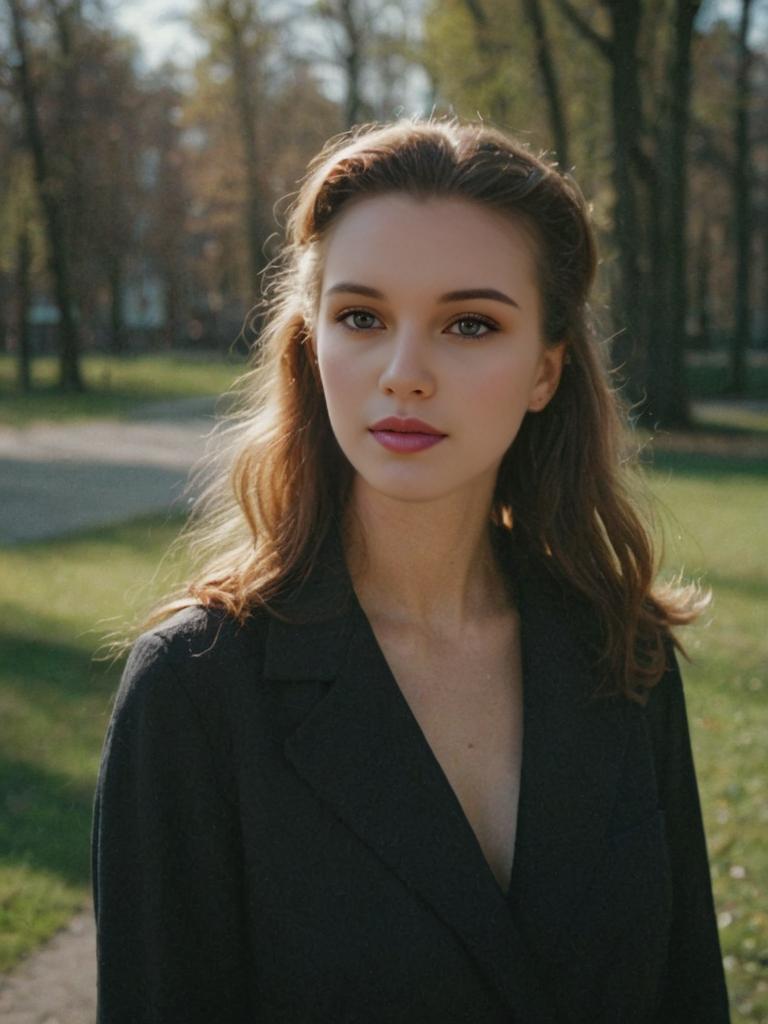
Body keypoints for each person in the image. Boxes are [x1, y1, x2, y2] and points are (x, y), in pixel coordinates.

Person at [91, 117, 731, 1024]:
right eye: (362, 317)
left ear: (546, 369)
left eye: (470, 324)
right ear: (313, 348)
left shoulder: (624, 654)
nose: (404, 373)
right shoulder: (195, 690)